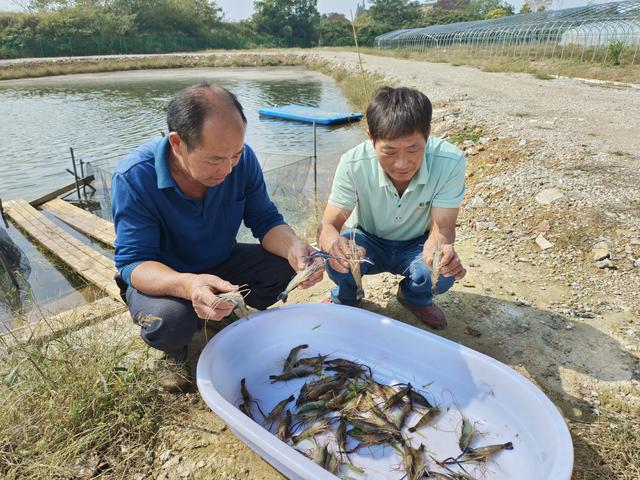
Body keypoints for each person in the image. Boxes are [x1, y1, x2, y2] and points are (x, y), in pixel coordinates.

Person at [112, 84, 323, 390]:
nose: (227, 169)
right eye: (214, 160)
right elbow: (134, 263)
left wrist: (294, 247)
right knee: (171, 320)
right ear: (177, 143)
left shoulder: (243, 161)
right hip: (164, 278)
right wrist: (188, 285)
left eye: (235, 155)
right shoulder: (134, 177)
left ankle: (222, 312)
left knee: (285, 266)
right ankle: (176, 350)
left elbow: (265, 221)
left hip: (221, 259)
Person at [318, 86, 466, 329]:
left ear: (427, 134)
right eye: (388, 151)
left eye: (413, 149)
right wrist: (335, 246)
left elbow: (444, 227)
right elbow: (328, 225)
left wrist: (439, 251)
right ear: (371, 138)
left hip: (416, 244)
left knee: (439, 275)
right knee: (336, 259)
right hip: (367, 240)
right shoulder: (352, 163)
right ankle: (345, 297)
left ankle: (413, 297)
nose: (401, 163)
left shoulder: (450, 162)